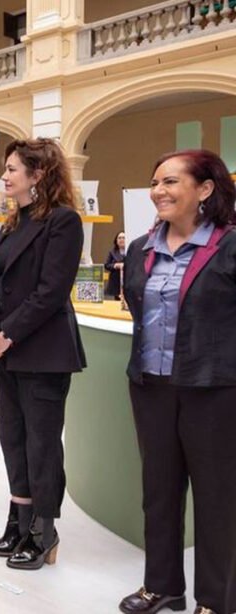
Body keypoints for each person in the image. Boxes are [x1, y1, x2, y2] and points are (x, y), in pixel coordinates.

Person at [118, 150, 236, 614]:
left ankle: (215, 600)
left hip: (215, 389)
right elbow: (136, 305)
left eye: (170, 182)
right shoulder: (139, 249)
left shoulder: (229, 245)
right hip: (151, 387)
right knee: (159, 492)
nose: (158, 191)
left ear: (204, 190)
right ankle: (162, 586)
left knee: (217, 498)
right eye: (154, 182)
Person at [0, 138, 85, 571]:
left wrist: (7, 335)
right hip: (6, 352)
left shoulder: (63, 221)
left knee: (42, 445)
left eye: (12, 169)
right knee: (12, 439)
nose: (4, 177)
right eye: (5, 169)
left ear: (38, 176)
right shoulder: (11, 222)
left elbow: (50, 293)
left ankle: (44, 529)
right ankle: (19, 519)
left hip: (42, 352)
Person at [104, 230, 126, 300]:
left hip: (127, 281)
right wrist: (115, 265)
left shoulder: (130, 251)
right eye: (119, 238)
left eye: (123, 238)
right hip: (116, 282)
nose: (121, 239)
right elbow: (107, 265)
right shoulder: (112, 252)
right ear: (116, 240)